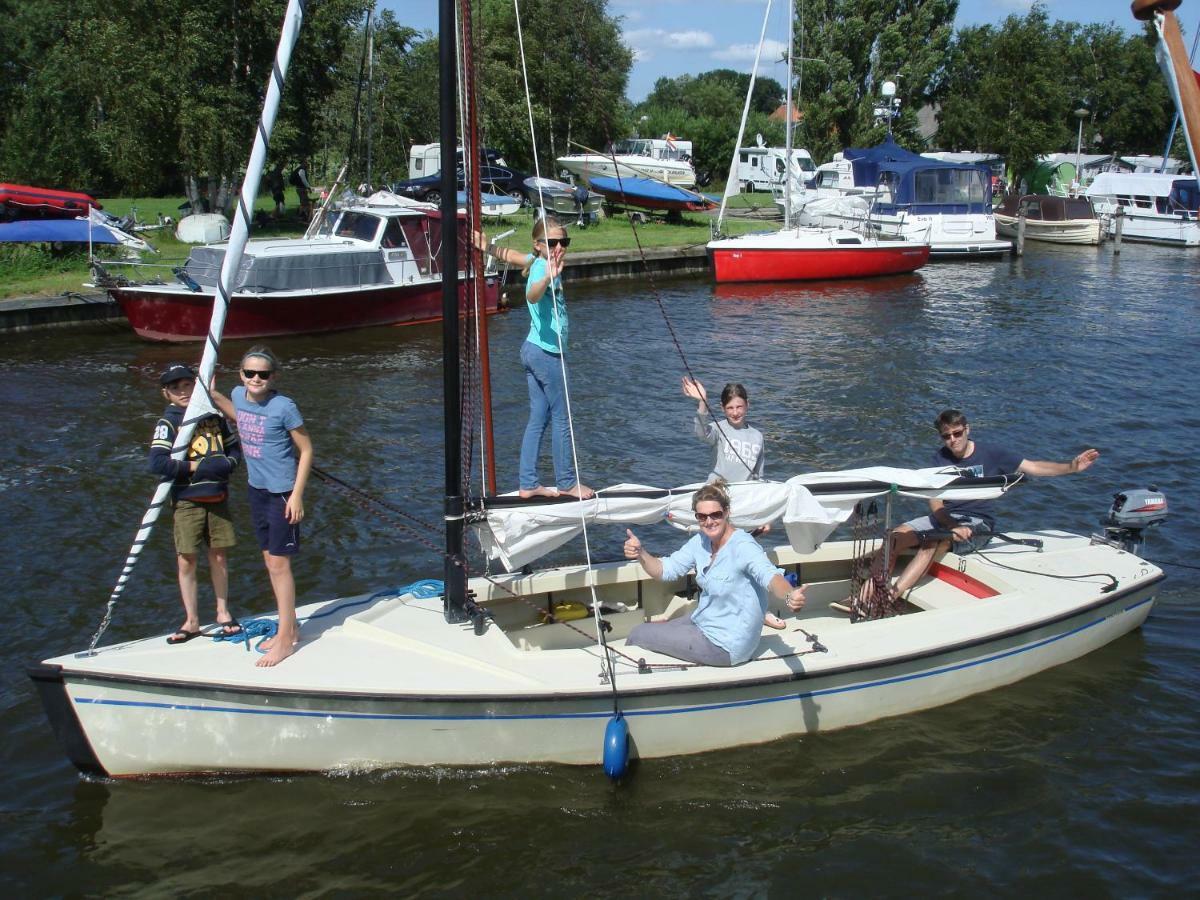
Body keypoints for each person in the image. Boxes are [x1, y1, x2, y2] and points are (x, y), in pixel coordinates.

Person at [867, 408, 1100, 604]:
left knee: (931, 543)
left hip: (977, 522)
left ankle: (889, 597)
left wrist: (1071, 466)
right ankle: (865, 596)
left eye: (957, 433)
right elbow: (934, 499)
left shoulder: (993, 453)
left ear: (967, 429)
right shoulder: (940, 458)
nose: (953, 440)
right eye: (946, 436)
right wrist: (951, 524)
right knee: (893, 538)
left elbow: (1034, 467)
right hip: (946, 518)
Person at [622, 481, 807, 666]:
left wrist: (790, 595)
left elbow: (771, 578)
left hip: (725, 645)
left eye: (715, 515)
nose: (709, 522)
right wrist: (641, 553)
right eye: (702, 517)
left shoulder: (744, 546)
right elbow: (664, 571)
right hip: (703, 620)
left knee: (638, 633)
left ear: (727, 512)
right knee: (649, 630)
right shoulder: (700, 541)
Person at [212, 348, 313, 667]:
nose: (256, 379)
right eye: (250, 373)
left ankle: (285, 639)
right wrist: (213, 395)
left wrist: (297, 495)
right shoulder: (238, 396)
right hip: (257, 489)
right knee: (269, 561)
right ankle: (291, 626)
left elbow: (307, 449)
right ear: (241, 374)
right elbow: (238, 415)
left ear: (274, 377)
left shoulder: (284, 407)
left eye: (263, 374)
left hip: (283, 493)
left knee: (280, 565)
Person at [150, 363, 243, 645]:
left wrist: (227, 464)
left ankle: (223, 612)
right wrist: (199, 468)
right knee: (187, 558)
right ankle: (191, 620)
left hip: (218, 497)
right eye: (175, 388)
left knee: (218, 555)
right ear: (166, 394)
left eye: (187, 385)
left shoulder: (213, 418)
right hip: (187, 501)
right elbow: (158, 463)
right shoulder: (168, 423)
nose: (182, 391)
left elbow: (233, 449)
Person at [517, 215, 593, 500]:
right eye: (552, 242)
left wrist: (489, 248)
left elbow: (516, 256)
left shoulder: (538, 261)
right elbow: (532, 295)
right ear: (538, 245)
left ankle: (528, 483)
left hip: (532, 350)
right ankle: (566, 483)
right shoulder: (542, 270)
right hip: (547, 355)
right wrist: (548, 276)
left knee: (538, 417)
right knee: (563, 418)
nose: (559, 246)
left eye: (564, 241)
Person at [684, 376, 764, 484]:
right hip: (718, 493)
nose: (735, 413)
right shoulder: (717, 429)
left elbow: (759, 476)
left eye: (739, 407)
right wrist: (703, 401)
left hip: (744, 495)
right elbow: (701, 433)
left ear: (747, 405)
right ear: (722, 408)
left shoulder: (757, 436)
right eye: (730, 408)